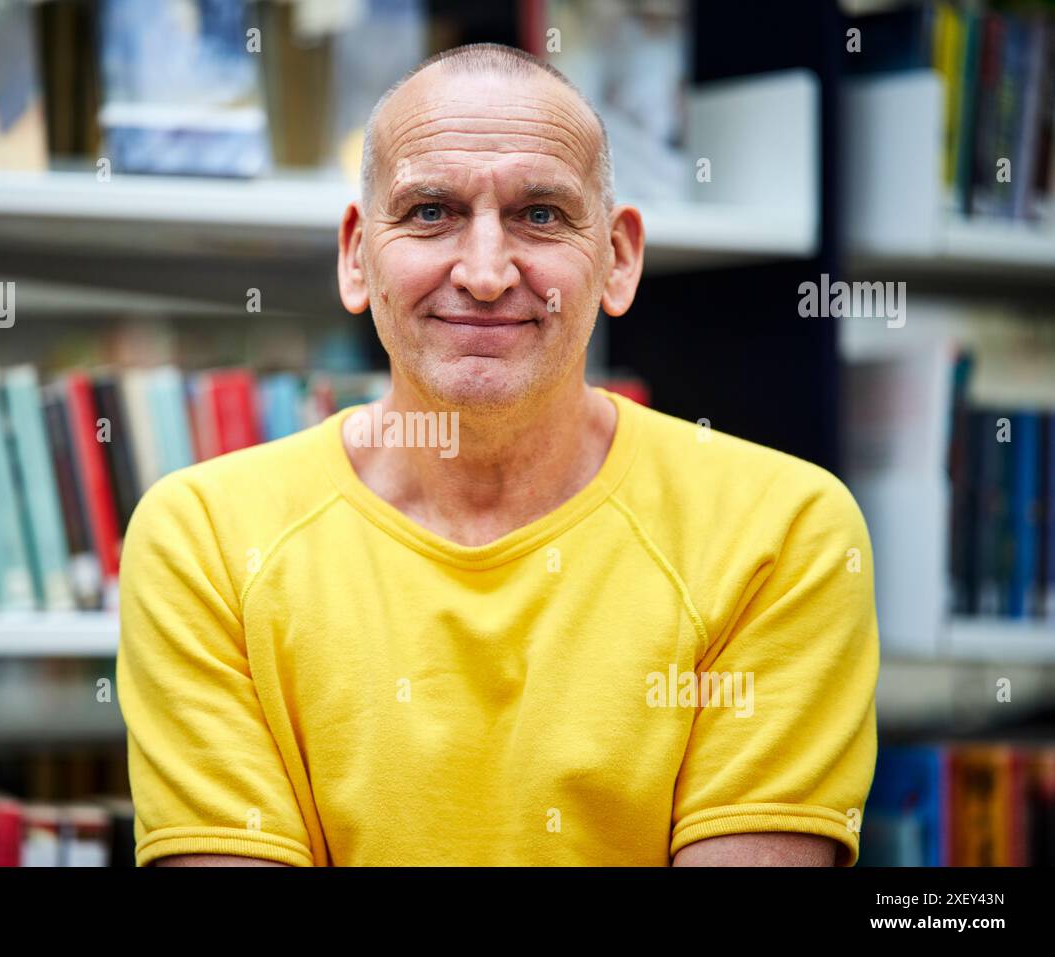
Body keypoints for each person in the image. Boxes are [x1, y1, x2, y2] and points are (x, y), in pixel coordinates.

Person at [115, 42, 878, 867]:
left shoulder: (782, 530)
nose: (483, 272)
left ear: (617, 259)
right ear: (355, 253)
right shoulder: (206, 539)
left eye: (541, 215)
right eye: (432, 211)